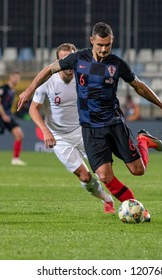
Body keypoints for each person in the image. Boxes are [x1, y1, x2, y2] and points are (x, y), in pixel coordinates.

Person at [17, 22, 162, 221]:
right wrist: (30, 90)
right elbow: (49, 70)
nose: (103, 49)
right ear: (92, 41)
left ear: (112, 42)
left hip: (115, 124)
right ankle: (139, 211)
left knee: (138, 170)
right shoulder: (77, 59)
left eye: (107, 45)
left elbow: (139, 86)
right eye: (100, 44)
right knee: (104, 176)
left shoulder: (117, 64)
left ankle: (142, 139)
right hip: (91, 129)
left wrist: (161, 105)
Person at [29, 43, 115, 214]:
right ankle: (107, 200)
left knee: (104, 172)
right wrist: (45, 130)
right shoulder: (47, 82)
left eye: (71, 59)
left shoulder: (84, 77)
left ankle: (127, 200)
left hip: (84, 131)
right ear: (58, 61)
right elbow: (33, 109)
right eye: (64, 60)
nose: (68, 64)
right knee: (85, 176)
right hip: (60, 138)